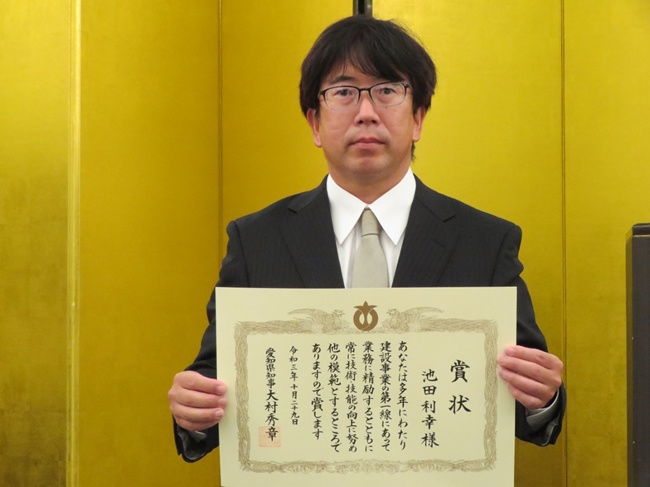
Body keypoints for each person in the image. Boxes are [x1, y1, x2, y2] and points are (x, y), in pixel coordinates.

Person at [168, 15, 566, 462]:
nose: (366, 112)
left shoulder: (484, 242)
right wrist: (193, 410)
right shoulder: (257, 240)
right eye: (343, 92)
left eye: (387, 90)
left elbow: (528, 404)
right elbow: (216, 382)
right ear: (314, 123)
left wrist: (543, 398)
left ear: (418, 118)